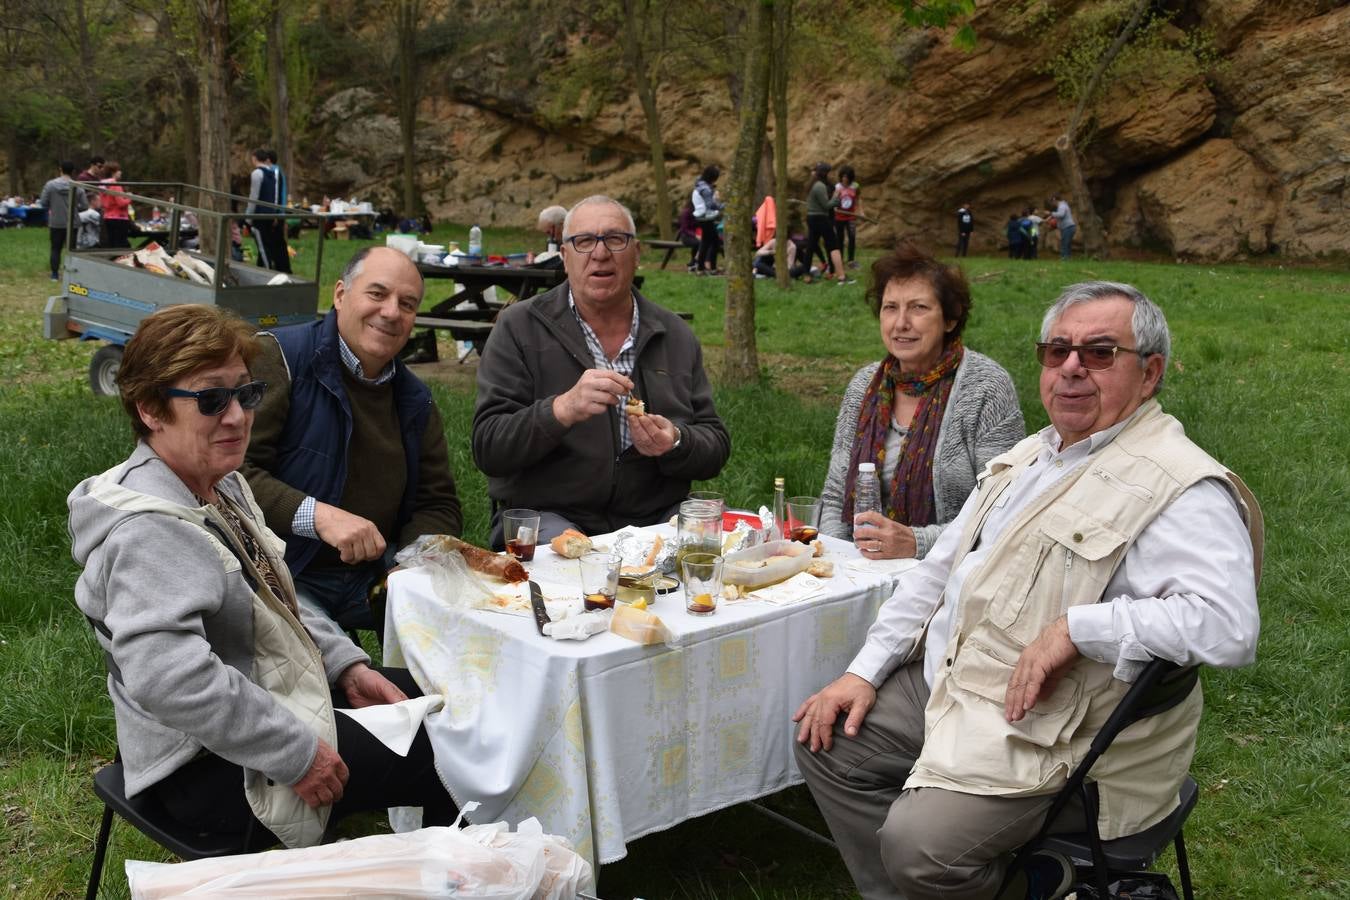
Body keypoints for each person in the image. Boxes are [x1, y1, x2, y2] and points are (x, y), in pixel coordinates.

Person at [793, 281, 1261, 899]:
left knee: (918, 846)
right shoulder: (1032, 456)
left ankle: (1007, 883)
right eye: (1056, 350)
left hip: (1065, 733)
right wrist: (863, 671)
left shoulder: (1179, 487)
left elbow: (1229, 627)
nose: (1070, 368)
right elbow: (937, 573)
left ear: (1149, 375)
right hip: (964, 686)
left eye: (1099, 353)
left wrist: (1078, 628)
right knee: (827, 743)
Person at [68, 304, 456, 851]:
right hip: (204, 768)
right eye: (210, 399)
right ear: (150, 409)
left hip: (262, 704)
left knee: (447, 701)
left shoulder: (219, 482)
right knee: (447, 749)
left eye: (245, 394)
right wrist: (297, 754)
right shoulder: (150, 530)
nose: (236, 417)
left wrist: (346, 665)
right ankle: (457, 875)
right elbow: (170, 680)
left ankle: (446, 868)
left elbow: (274, 600)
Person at [472, 195, 730, 545]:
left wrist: (676, 441)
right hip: (550, 515)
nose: (600, 252)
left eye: (615, 239)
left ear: (637, 253)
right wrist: (561, 410)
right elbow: (489, 447)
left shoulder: (674, 334)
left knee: (709, 553)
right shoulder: (519, 328)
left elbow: (715, 444)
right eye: (584, 241)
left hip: (654, 516)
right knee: (571, 571)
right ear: (564, 257)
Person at [242, 246, 463, 632]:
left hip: (375, 571)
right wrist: (319, 516)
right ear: (341, 294)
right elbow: (230, 473)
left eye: (407, 304)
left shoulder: (414, 400)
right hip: (282, 567)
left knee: (468, 636)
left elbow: (438, 502)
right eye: (377, 294)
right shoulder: (279, 357)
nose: (392, 312)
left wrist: (409, 565)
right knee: (334, 673)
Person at [819, 241, 1023, 560]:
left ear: (950, 319)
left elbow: (1001, 508)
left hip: (948, 573)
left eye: (919, 308)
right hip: (858, 568)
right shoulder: (864, 385)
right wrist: (838, 561)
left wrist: (915, 543)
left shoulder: (986, 386)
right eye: (891, 308)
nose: (901, 323)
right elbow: (834, 497)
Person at [38, 160, 88, 281]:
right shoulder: (77, 186)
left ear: (60, 169)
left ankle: (54, 275)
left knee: (55, 248)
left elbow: (43, 203)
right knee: (71, 250)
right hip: (73, 223)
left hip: (56, 221)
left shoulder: (50, 185)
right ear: (73, 171)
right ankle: (71, 274)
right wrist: (75, 207)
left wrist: (54, 205)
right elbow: (85, 206)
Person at [246, 148, 292, 273]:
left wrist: (277, 214)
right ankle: (265, 268)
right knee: (267, 244)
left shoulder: (271, 172)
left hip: (269, 214)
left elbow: (273, 195)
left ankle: (273, 270)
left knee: (270, 245)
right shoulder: (271, 173)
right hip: (272, 213)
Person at [806, 162, 849, 284]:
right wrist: (836, 197)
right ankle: (841, 276)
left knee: (811, 245)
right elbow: (826, 206)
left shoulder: (814, 184)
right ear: (825, 173)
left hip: (814, 218)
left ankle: (807, 274)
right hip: (821, 218)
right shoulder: (820, 186)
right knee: (834, 246)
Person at [691, 165, 724, 274]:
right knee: (713, 242)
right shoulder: (705, 189)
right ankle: (708, 268)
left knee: (708, 241)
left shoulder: (699, 183)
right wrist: (723, 205)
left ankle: (702, 268)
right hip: (705, 217)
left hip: (701, 216)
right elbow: (711, 205)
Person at [833, 165, 862, 269]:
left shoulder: (855, 186)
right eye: (843, 176)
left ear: (851, 177)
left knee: (852, 237)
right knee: (839, 239)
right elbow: (834, 199)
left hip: (851, 217)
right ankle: (840, 261)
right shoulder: (838, 187)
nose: (844, 179)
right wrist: (834, 206)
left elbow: (858, 199)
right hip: (839, 217)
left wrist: (860, 211)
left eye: (847, 177)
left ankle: (851, 260)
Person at [99, 161, 132, 249]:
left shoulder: (102, 185)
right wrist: (129, 197)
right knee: (120, 245)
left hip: (108, 217)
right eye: (119, 170)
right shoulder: (115, 185)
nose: (120, 172)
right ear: (113, 172)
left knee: (112, 244)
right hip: (120, 218)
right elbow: (121, 203)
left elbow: (102, 202)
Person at [533, 204, 567, 268]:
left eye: (549, 232)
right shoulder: (555, 242)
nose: (551, 238)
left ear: (562, 224)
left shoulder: (576, 241)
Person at [1049, 192, 1076, 260]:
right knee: (1067, 243)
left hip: (1068, 227)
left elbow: (1061, 214)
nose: (1052, 204)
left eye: (1052, 201)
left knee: (1065, 243)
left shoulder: (1062, 205)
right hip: (1067, 227)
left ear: (1054, 199)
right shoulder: (1063, 205)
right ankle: (1068, 258)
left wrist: (1051, 213)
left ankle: (1064, 258)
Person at [676, 201, 701, 272]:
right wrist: (695, 235)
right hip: (686, 236)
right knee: (699, 243)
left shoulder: (698, 212)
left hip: (696, 235)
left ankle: (694, 262)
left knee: (704, 242)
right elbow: (684, 229)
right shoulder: (686, 213)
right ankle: (695, 261)